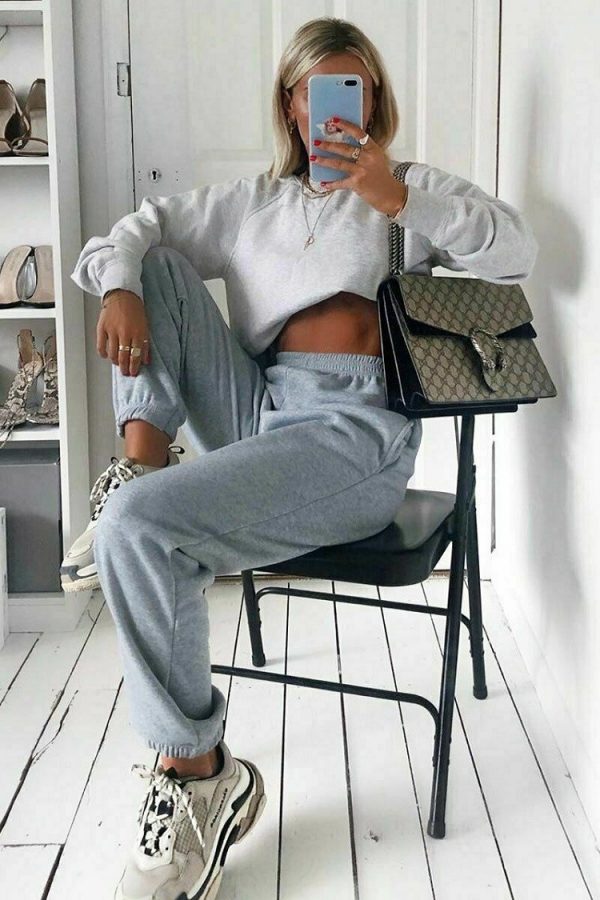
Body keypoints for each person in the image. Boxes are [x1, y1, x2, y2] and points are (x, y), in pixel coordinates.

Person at [62, 15, 538, 900]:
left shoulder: (407, 188)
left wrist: (397, 198)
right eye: (317, 93)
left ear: (374, 97)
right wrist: (120, 283)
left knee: (136, 533)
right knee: (156, 264)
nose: (336, 110)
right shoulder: (254, 204)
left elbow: (516, 251)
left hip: (356, 434)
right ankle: (139, 472)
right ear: (290, 104)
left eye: (353, 89)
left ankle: (196, 770)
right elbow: (134, 229)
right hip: (260, 410)